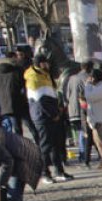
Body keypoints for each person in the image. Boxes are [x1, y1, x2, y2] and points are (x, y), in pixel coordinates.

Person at [27, 54, 70, 182]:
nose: (48, 65)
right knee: (45, 146)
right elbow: (40, 101)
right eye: (46, 63)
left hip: (50, 115)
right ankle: (45, 173)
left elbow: (51, 96)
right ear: (40, 64)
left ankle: (59, 170)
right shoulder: (34, 78)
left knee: (55, 144)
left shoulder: (44, 75)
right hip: (42, 116)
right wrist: (53, 114)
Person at [0, 50, 35, 139]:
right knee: (31, 126)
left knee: (17, 129)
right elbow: (24, 86)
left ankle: (21, 149)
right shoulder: (17, 70)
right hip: (20, 103)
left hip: (6, 106)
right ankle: (40, 146)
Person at [65, 61, 95, 167]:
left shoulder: (72, 78)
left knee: (80, 132)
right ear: (89, 68)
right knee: (85, 132)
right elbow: (89, 94)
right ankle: (83, 155)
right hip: (82, 109)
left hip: (72, 110)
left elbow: (67, 94)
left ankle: (82, 153)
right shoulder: (87, 78)